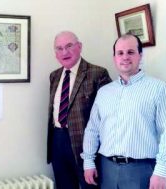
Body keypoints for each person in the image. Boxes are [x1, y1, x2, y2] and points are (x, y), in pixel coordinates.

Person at [81, 34, 166, 189]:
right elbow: (92, 129)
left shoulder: (160, 90)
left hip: (141, 170)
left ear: (140, 55)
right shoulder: (104, 92)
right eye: (120, 53)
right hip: (106, 169)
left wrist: (161, 172)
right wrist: (88, 161)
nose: (125, 57)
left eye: (130, 52)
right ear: (114, 58)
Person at [47, 31, 112, 189]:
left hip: (85, 144)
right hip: (57, 140)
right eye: (59, 48)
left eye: (69, 46)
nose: (64, 52)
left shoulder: (98, 74)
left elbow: (108, 116)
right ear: (55, 53)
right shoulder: (54, 76)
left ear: (79, 47)